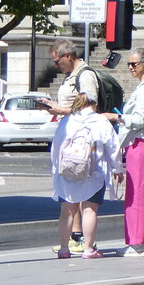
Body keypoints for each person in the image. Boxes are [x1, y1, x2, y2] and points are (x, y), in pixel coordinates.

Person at [37, 38, 99, 253]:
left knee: (81, 188)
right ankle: (76, 236)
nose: (56, 66)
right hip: (70, 137)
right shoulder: (71, 75)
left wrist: (60, 110)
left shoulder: (85, 75)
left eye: (57, 61)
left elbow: (90, 105)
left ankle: (82, 239)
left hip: (81, 140)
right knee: (72, 188)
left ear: (68, 56)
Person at [106, 48, 144, 257]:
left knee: (137, 195)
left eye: (134, 64)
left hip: (141, 144)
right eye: (129, 64)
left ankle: (137, 243)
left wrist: (117, 117)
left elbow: (140, 119)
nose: (130, 68)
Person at [50, 93, 118, 259]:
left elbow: (56, 146)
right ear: (95, 103)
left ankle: (64, 249)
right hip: (94, 172)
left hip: (67, 171)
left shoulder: (68, 121)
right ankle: (88, 249)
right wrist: (117, 169)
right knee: (89, 210)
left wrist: (56, 168)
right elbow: (113, 147)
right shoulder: (101, 121)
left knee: (67, 211)